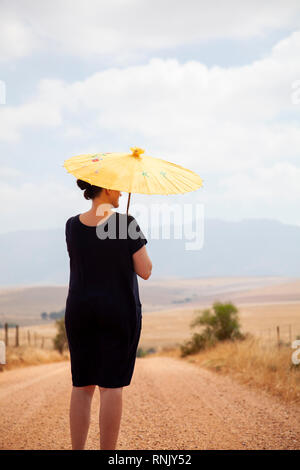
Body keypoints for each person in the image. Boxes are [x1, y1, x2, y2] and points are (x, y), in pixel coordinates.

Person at [64, 179, 152, 450]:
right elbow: (145, 270)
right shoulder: (125, 224)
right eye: (119, 186)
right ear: (108, 189)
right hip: (117, 312)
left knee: (82, 386)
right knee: (111, 386)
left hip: (80, 311)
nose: (123, 191)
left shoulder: (72, 225)